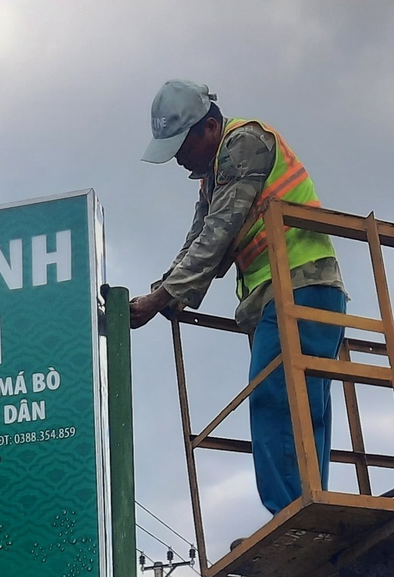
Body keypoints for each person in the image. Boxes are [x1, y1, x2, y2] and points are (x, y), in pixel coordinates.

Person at [129, 79, 347, 516]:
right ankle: (308, 507)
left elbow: (218, 233)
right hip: (283, 293)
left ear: (209, 126)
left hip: (300, 284)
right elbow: (197, 238)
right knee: (301, 405)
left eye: (180, 146)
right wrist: (162, 292)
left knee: (276, 398)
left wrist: (160, 300)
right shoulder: (214, 175)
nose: (177, 160)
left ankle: (293, 513)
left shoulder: (244, 143)